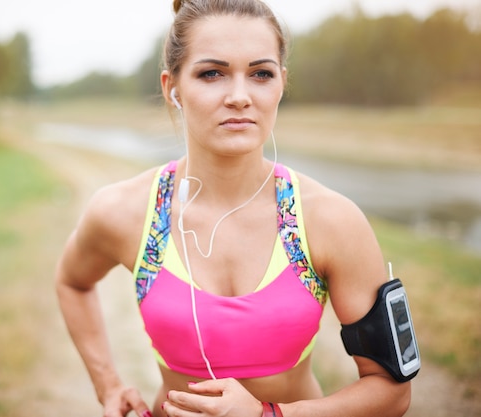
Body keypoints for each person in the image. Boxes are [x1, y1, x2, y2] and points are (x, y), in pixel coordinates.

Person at [55, 0, 414, 416]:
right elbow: (72, 282)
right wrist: (108, 385)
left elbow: (391, 391)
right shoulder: (125, 211)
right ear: (173, 87)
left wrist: (270, 415)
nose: (240, 97)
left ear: (282, 83)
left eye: (261, 73)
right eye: (212, 73)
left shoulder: (331, 220)